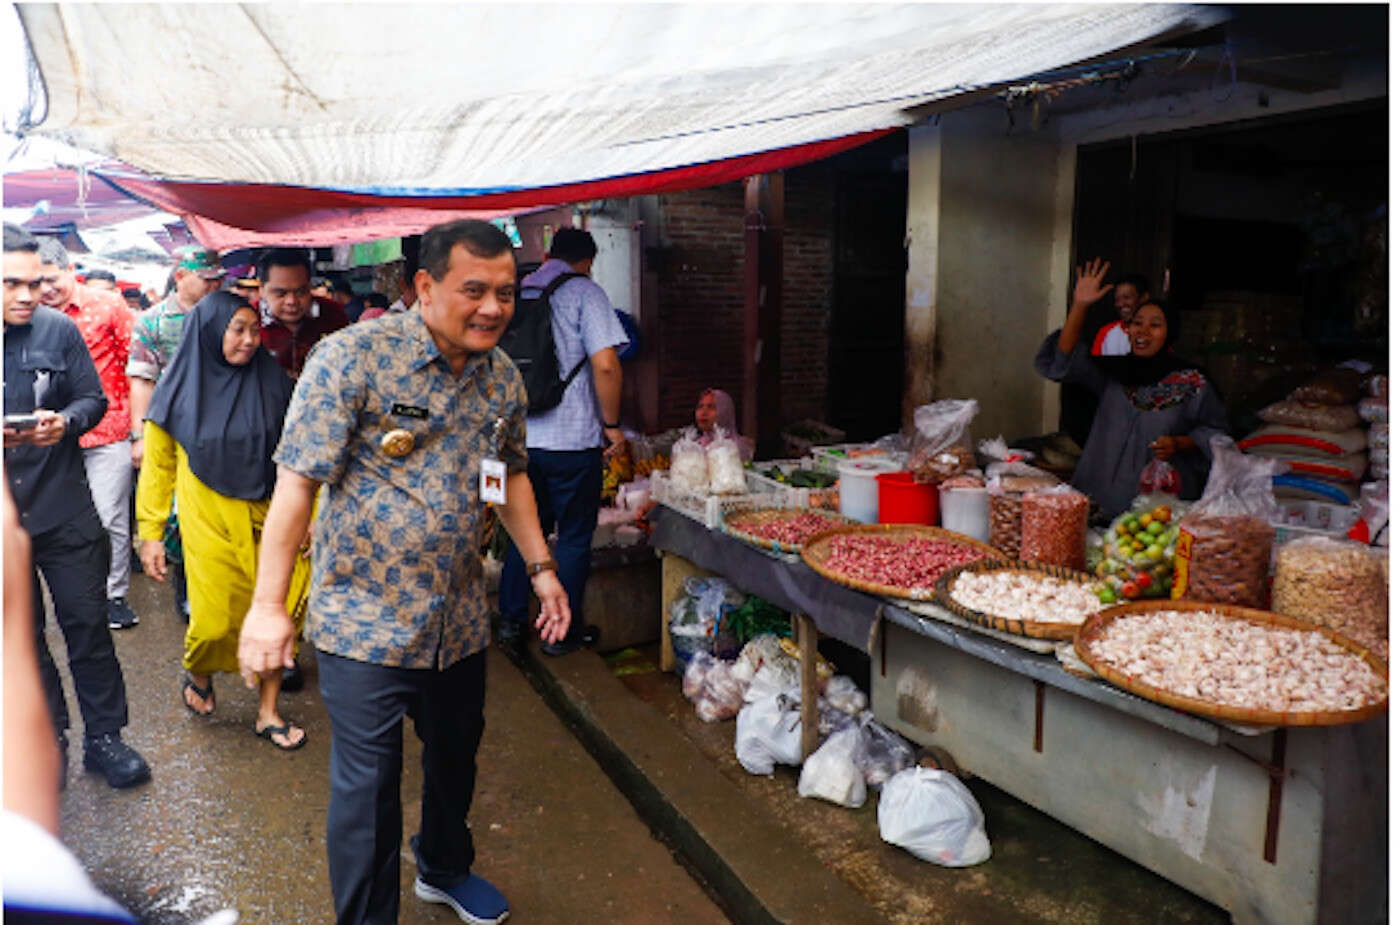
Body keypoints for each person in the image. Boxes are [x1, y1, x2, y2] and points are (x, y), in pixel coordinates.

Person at [238, 219, 570, 924]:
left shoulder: (502, 377)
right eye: (473, 290)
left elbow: (505, 478)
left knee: (456, 756)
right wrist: (270, 608)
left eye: (505, 293)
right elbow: (297, 484)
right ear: (425, 285)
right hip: (364, 622)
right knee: (369, 789)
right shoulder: (351, 359)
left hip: (457, 619)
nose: (492, 308)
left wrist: (540, 568)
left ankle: (444, 866)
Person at [3, 223, 150, 790]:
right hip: (5, 522)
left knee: (88, 626)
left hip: (64, 508)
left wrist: (65, 423)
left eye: (34, 282)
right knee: (25, 636)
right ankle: (49, 740)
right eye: (11, 283)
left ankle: (106, 739)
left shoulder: (58, 330)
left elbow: (94, 398)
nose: (26, 295)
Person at [135, 291, 310, 749]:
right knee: (213, 622)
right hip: (209, 518)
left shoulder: (274, 383)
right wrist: (150, 533)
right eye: (238, 329)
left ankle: (268, 712)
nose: (251, 340)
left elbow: (304, 456)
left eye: (255, 329)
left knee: (281, 608)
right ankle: (199, 669)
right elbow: (158, 469)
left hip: (274, 517)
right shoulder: (176, 393)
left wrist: (311, 515)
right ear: (210, 333)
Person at [499, 228, 628, 657]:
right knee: (572, 537)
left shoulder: (517, 289)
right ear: (587, 261)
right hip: (572, 441)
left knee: (525, 529)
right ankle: (561, 634)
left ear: (550, 252)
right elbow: (606, 365)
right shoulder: (584, 292)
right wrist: (611, 424)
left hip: (518, 438)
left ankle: (512, 623)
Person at [1035, 258, 1227, 517]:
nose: (1143, 331)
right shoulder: (1112, 373)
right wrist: (1079, 306)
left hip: (1157, 508)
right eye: (1137, 323)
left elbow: (1217, 434)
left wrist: (1180, 443)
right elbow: (1063, 360)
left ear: (1170, 333)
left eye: (1155, 325)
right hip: (1098, 494)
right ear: (1128, 330)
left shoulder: (1191, 382)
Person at [37, 239, 141, 630]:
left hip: (107, 430)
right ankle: (78, 593)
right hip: (49, 435)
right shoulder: (28, 315)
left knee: (107, 515)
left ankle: (113, 595)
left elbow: (137, 367)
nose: (46, 290)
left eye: (52, 280)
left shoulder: (109, 306)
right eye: (38, 282)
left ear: (70, 270)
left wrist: (137, 432)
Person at [128, 246, 225, 623]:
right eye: (207, 279)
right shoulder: (153, 322)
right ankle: (186, 589)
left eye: (219, 279)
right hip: (174, 431)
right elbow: (142, 379)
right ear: (181, 275)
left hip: (223, 428)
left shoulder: (227, 314)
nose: (214, 285)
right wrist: (140, 437)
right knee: (176, 514)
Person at [257, 248, 350, 379]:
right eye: (281, 293)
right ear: (262, 289)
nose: (292, 301)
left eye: (301, 292)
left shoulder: (333, 314)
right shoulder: (249, 318)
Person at [1090, 271, 1151, 357]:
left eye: (1127, 298)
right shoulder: (1106, 332)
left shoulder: (1154, 334)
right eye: (1117, 299)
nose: (1120, 304)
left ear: (1144, 298)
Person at [693, 388, 754, 461]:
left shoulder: (734, 448)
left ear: (725, 411)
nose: (703, 413)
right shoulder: (696, 445)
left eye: (711, 407)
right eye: (700, 407)